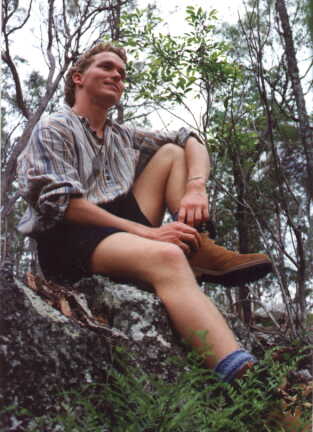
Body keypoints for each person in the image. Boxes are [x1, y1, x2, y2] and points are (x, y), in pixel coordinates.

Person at [17, 42, 272, 382]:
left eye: (122, 74)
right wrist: (151, 234)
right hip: (70, 237)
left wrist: (196, 187)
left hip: (120, 229)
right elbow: (63, 206)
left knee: (172, 152)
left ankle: (198, 245)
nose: (117, 76)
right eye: (107, 67)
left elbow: (190, 137)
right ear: (78, 77)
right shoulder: (55, 127)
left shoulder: (122, 135)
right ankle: (250, 382)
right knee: (166, 256)